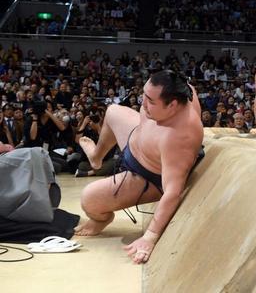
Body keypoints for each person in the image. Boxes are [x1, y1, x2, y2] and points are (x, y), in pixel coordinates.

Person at [74, 70, 204, 264]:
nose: (143, 104)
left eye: (150, 101)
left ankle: (102, 219)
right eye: (144, 95)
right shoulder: (181, 89)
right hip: (137, 138)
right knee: (112, 111)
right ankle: (96, 157)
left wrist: (150, 236)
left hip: (146, 174)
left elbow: (173, 191)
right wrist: (150, 104)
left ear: (173, 105)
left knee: (88, 200)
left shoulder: (180, 137)